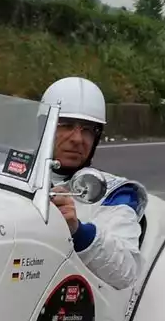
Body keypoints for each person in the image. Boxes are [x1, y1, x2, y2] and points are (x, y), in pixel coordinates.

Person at [40, 76, 146, 290]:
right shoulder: (8, 173)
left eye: (87, 129)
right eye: (66, 125)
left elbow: (126, 273)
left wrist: (78, 231)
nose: (77, 139)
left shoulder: (115, 192)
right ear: (43, 127)